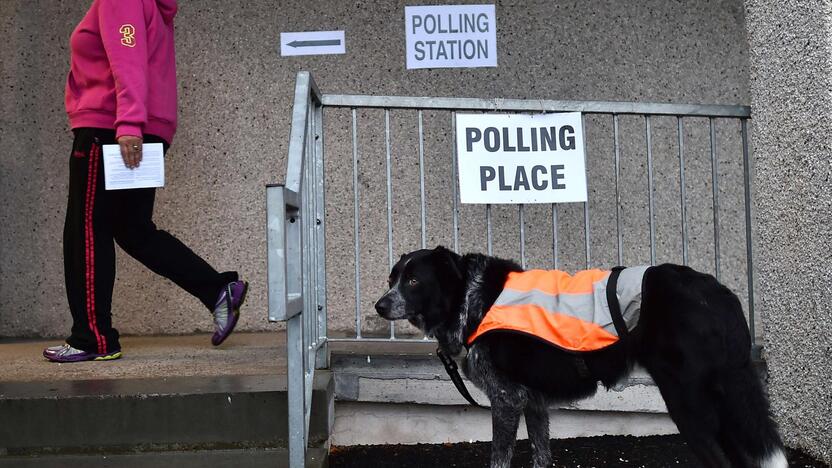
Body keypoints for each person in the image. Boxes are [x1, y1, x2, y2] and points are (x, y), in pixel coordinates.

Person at [43, 0, 247, 363]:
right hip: (139, 128)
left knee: (86, 231)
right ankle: (216, 289)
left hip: (111, 129)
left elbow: (128, 55)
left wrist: (129, 125)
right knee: (133, 229)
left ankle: (93, 338)